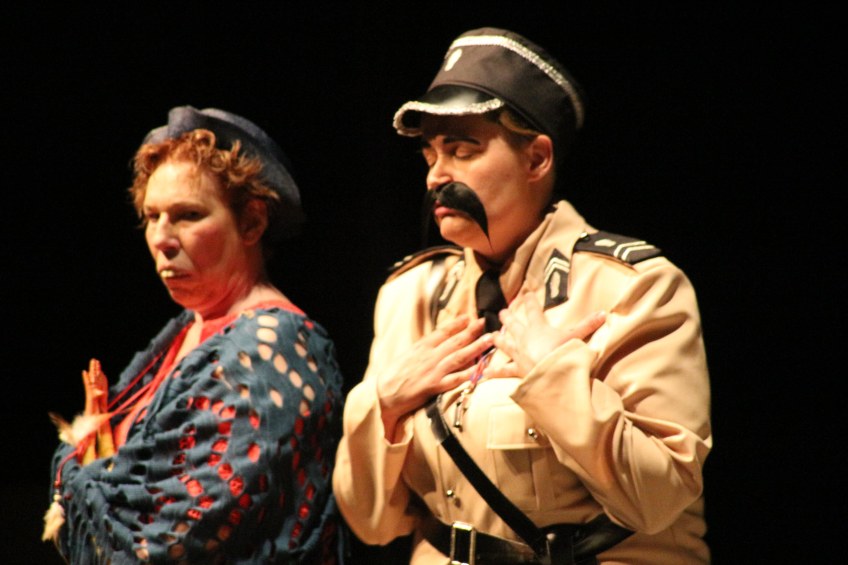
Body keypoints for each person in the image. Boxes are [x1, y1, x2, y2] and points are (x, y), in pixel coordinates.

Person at [333, 27, 711, 564]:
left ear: (536, 159)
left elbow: (659, 497)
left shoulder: (633, 287)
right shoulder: (410, 295)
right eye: (430, 155)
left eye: (462, 151)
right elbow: (372, 524)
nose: (436, 176)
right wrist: (382, 406)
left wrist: (553, 373)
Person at [44, 106, 346, 564]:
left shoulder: (268, 350)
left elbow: (169, 541)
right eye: (152, 216)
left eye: (188, 215)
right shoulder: (187, 330)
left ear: (252, 222)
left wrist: (77, 478)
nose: (161, 238)